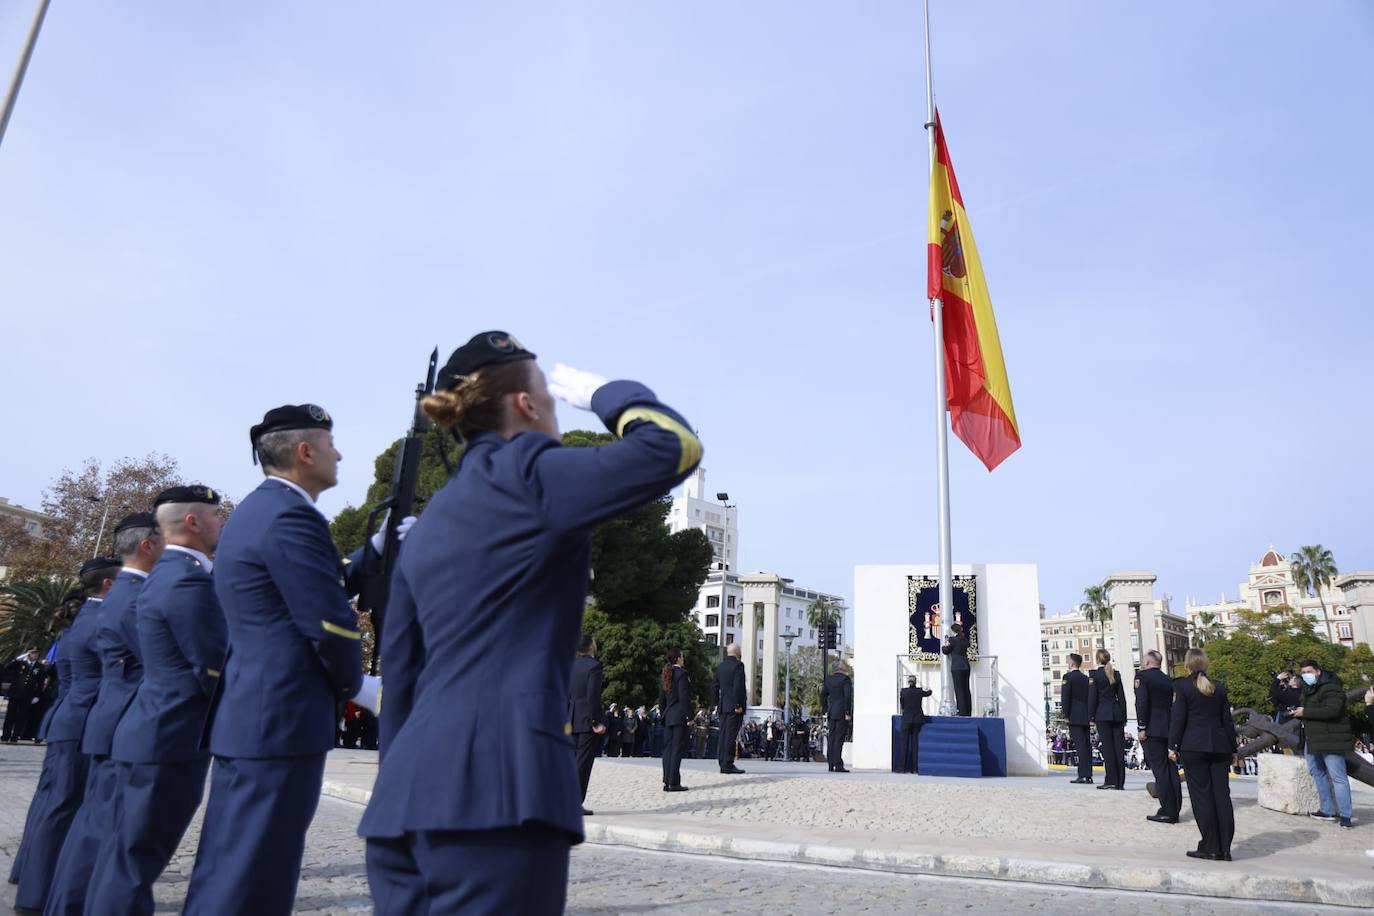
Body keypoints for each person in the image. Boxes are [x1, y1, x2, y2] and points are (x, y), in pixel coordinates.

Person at [357, 334, 702, 914]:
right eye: (550, 394)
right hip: (498, 792)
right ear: (524, 404)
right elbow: (675, 447)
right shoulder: (529, 473)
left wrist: (402, 784)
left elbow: (404, 677)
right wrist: (604, 394)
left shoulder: (431, 519)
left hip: (405, 798)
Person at [182, 405, 386, 915]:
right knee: (254, 872)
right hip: (280, 718)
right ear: (305, 451)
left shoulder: (261, 510)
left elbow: (306, 584)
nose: (339, 454)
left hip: (257, 716)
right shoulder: (292, 515)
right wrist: (360, 686)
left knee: (234, 864)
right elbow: (330, 621)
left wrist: (373, 551)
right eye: (331, 443)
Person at [81, 488, 229, 916]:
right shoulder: (186, 580)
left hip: (151, 734)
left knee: (124, 855)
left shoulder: (165, 575)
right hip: (170, 739)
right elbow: (211, 666)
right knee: (136, 858)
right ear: (193, 523)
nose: (221, 523)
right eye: (216, 515)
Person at [45, 512, 163, 916]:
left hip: (87, 715)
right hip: (103, 718)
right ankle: (62, 900)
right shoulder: (126, 601)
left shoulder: (93, 614)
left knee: (74, 814)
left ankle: (48, 895)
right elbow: (152, 662)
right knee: (88, 818)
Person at [12, 556, 120, 912]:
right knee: (64, 806)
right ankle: (37, 893)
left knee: (52, 803)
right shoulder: (102, 619)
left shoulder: (82, 619)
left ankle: (30, 877)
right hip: (82, 721)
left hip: (69, 718)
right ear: (108, 584)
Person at [1169, 648, 1237, 860]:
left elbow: (1178, 718)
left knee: (1202, 797)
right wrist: (1233, 749)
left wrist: (1173, 745)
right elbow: (1227, 720)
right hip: (1220, 745)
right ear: (1206, 664)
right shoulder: (1219, 687)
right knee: (1222, 796)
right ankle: (1225, 847)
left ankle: (1209, 845)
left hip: (1193, 746)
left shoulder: (1181, 686)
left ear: (1187, 664)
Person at [1292, 659, 1355, 829]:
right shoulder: (1308, 690)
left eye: (1309, 672)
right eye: (1303, 673)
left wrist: (1305, 712)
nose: (1306, 675)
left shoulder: (1332, 687)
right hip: (1312, 739)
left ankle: (1346, 815)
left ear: (1318, 671)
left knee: (1338, 777)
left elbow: (1332, 710)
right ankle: (1327, 810)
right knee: (1317, 773)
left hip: (1331, 739)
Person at [1135, 649, 1182, 824]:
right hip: (1167, 728)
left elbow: (1142, 702)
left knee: (1160, 771)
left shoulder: (1142, 677)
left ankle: (1167, 810)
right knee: (1171, 770)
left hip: (1152, 730)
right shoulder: (1167, 679)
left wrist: (1142, 726)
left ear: (1147, 663)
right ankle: (1174, 807)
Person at [569, 634, 606, 816]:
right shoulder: (595, 666)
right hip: (586, 720)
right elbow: (593, 696)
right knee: (582, 763)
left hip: (571, 718)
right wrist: (596, 722)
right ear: (591, 646)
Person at [1087, 649, 1127, 791]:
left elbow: (1092, 698)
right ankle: (1120, 781)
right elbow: (1121, 697)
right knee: (1118, 749)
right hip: (1117, 714)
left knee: (1108, 749)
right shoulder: (1115, 674)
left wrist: (1090, 716)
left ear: (1097, 659)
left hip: (1102, 715)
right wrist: (1124, 715)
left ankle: (1110, 779)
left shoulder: (1095, 675)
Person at [659, 650, 691, 792]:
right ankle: (674, 783)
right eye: (682, 657)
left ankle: (667, 781)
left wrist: (663, 714)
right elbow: (684, 697)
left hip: (668, 716)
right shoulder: (681, 674)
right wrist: (689, 716)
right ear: (678, 659)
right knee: (677, 750)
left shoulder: (666, 673)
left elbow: (662, 699)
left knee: (668, 750)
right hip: (678, 716)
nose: (683, 659)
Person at [714, 643, 748, 775]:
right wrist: (738, 705)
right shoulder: (739, 665)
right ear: (737, 652)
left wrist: (716, 703)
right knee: (730, 736)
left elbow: (714, 686)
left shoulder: (720, 666)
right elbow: (738, 686)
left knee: (723, 735)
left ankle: (722, 761)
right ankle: (728, 763)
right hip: (734, 707)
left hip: (723, 706)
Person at [1061, 654, 1093, 783]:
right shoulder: (1086, 678)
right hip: (1085, 715)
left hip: (1074, 715)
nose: (1067, 663)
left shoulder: (1068, 677)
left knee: (1080, 746)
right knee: (1086, 745)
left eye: (1068, 661)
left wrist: (1066, 715)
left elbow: (1065, 698)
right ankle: (1088, 774)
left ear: (1072, 664)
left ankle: (1083, 775)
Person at [2, 649, 42, 744]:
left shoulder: (39, 667)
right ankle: (5, 736)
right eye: (32, 653)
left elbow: (40, 682)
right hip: (15, 693)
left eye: (36, 653)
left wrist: (37, 695)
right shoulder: (19, 663)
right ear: (28, 654)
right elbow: (6, 668)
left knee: (21, 717)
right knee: (10, 716)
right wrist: (16, 660)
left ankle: (15, 736)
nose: (34, 655)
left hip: (27, 695)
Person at [821, 662, 853, 772]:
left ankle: (830, 764)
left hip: (832, 712)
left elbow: (823, 695)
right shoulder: (846, 679)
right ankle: (838, 764)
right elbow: (847, 697)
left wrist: (825, 709)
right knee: (839, 739)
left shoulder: (828, 679)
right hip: (841, 712)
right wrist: (847, 712)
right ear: (841, 668)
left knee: (832, 738)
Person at [899, 676, 933, 774]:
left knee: (904, 745)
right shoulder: (919, 691)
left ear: (908, 682)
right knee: (915, 745)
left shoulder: (903, 692)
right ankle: (914, 768)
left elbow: (902, 705)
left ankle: (902, 768)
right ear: (915, 682)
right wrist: (929, 688)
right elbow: (929, 693)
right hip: (917, 720)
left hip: (906, 719)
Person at [942, 623, 972, 716]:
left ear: (953, 631)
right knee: (966, 689)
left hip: (957, 666)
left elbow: (945, 651)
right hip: (966, 665)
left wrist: (945, 645)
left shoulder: (953, 640)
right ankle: (968, 711)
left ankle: (962, 712)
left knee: (959, 690)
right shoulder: (964, 639)